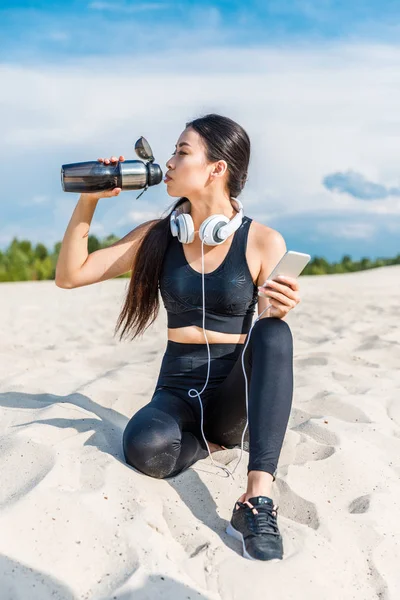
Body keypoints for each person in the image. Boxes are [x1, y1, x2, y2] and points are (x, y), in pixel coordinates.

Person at [55, 113, 301, 562]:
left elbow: (268, 342)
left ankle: (256, 498)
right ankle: (206, 444)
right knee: (144, 448)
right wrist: (88, 201)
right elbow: (70, 276)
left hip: (232, 392)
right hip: (176, 388)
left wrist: (276, 308)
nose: (168, 162)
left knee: (276, 334)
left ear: (216, 168)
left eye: (181, 152)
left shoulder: (263, 241)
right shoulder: (157, 236)